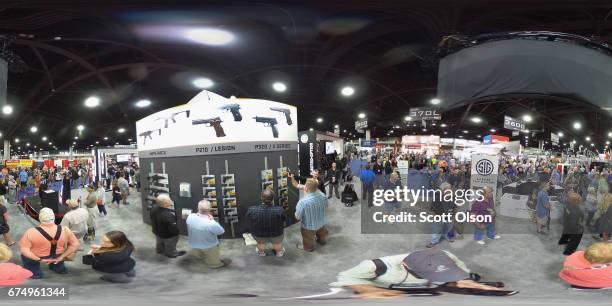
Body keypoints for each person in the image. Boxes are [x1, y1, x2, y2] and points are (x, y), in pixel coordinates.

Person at [330, 248, 503, 298]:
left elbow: (457, 267)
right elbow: (343, 277)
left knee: (471, 276)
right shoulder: (374, 266)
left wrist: (463, 278)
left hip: (421, 287)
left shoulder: (447, 256)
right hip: (391, 286)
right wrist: (373, 292)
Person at [19, 208, 80, 279]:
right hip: (58, 255)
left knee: (25, 256)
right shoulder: (65, 229)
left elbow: (24, 250)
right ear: (53, 217)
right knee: (58, 261)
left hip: (38, 256)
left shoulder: (30, 232)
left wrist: (40, 260)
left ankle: (35, 273)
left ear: (39, 218)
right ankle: (59, 269)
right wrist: (62, 257)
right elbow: (75, 244)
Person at [186, 200, 230, 268]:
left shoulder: (190, 216)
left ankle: (200, 256)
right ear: (209, 210)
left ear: (198, 208)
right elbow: (221, 231)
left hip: (193, 244)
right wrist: (212, 220)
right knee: (215, 264)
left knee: (198, 254)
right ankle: (214, 264)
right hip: (208, 246)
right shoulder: (211, 223)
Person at [245, 190, 286, 257]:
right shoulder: (280, 210)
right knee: (277, 243)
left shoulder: (252, 210)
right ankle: (279, 253)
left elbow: (248, 220)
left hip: (259, 234)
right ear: (272, 199)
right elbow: (284, 220)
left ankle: (261, 253)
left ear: (261, 198)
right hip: (276, 234)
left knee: (260, 243)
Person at [295, 178, 329, 252]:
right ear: (316, 187)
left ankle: (308, 248)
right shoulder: (323, 195)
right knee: (321, 235)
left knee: (307, 238)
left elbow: (297, 217)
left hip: (308, 227)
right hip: (321, 223)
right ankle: (321, 242)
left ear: (306, 188)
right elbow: (326, 205)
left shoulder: (302, 202)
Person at [427, 183, 455, 248]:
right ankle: (433, 241)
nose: (449, 190)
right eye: (447, 189)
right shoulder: (437, 197)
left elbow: (455, 205)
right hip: (439, 216)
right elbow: (433, 208)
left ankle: (447, 236)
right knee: (436, 230)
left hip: (449, 216)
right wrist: (434, 217)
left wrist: (455, 213)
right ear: (442, 190)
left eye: (450, 188)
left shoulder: (453, 196)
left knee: (449, 228)